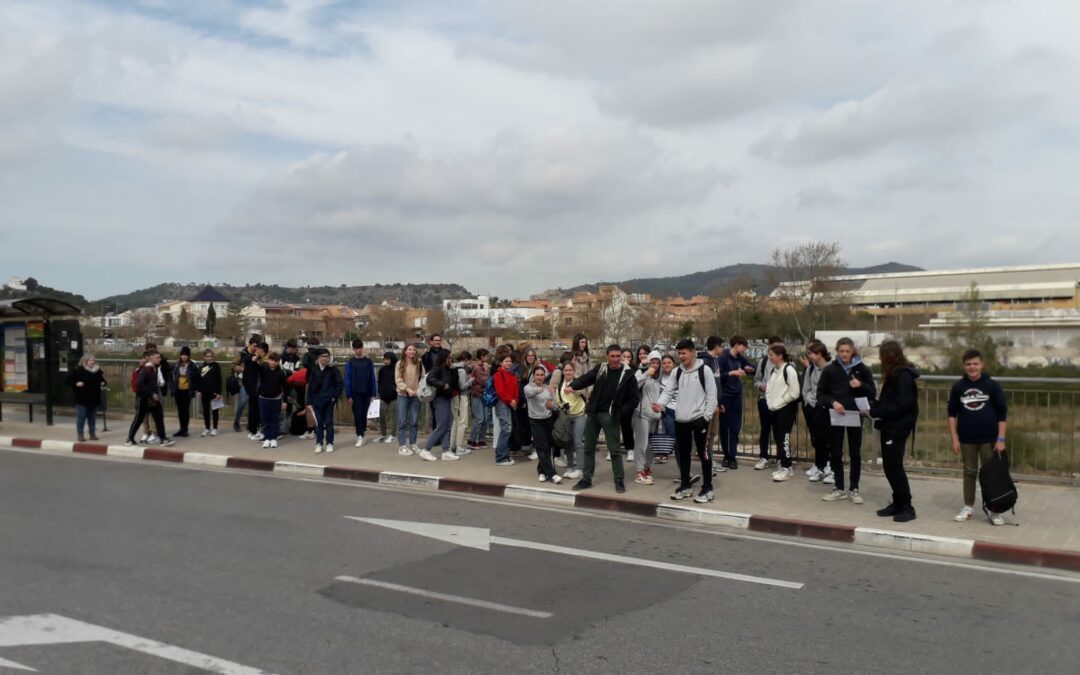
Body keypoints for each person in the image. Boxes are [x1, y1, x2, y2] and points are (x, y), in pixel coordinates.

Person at [565, 344, 641, 494]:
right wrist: (573, 385)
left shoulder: (628, 374)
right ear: (607, 356)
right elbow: (587, 379)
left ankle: (619, 481)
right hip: (594, 414)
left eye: (618, 356)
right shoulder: (601, 369)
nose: (615, 359)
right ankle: (586, 479)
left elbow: (634, 399)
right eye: (612, 356)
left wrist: (621, 413)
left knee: (614, 450)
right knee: (588, 448)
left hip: (611, 416)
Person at [948, 349, 1008, 525]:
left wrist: (1001, 439)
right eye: (968, 364)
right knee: (969, 472)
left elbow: (1002, 414)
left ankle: (994, 510)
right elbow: (951, 413)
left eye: (975, 363)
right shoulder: (958, 387)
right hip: (967, 438)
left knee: (991, 474)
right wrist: (954, 437)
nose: (972, 367)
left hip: (989, 438)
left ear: (982, 364)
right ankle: (968, 507)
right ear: (963, 366)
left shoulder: (992, 385)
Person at [653, 339, 718, 503]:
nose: (681, 356)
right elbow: (668, 391)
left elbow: (712, 397)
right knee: (683, 454)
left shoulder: (705, 371)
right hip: (680, 419)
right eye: (679, 353)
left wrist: (706, 417)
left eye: (684, 353)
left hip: (699, 419)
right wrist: (660, 404)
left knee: (703, 455)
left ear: (693, 352)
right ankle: (685, 486)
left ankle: (707, 488)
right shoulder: (677, 372)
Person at [818, 337, 877, 504]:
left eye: (847, 351)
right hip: (836, 415)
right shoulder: (830, 370)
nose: (844, 354)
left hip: (855, 415)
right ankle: (838, 488)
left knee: (855, 453)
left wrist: (861, 385)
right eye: (841, 351)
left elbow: (872, 392)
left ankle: (854, 489)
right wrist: (833, 402)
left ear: (853, 352)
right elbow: (821, 394)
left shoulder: (862, 369)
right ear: (837, 352)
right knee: (836, 452)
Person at [868, 340, 920, 522]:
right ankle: (898, 502)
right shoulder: (893, 375)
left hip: (898, 427)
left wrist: (878, 411)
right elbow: (889, 400)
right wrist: (874, 406)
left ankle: (907, 505)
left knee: (894, 466)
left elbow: (902, 405)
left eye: (883, 356)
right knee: (889, 466)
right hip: (889, 425)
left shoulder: (903, 376)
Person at [716, 335, 754, 471]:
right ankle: (726, 455)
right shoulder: (723, 357)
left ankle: (732, 456)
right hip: (725, 396)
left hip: (737, 396)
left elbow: (750, 367)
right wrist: (732, 373)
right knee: (724, 428)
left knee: (735, 428)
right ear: (737, 345)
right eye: (743, 346)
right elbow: (717, 376)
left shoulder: (740, 358)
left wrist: (749, 369)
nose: (744, 349)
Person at [764, 344, 801, 482]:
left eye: (772, 355)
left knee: (784, 439)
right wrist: (770, 403)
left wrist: (781, 401)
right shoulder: (774, 371)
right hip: (774, 409)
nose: (770, 357)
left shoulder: (789, 370)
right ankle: (784, 465)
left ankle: (786, 467)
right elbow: (769, 389)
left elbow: (795, 392)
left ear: (780, 356)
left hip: (785, 410)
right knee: (778, 438)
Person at [125, 351, 174, 447]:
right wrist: (151, 394)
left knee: (159, 418)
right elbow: (139, 383)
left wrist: (158, 386)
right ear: (151, 359)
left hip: (153, 400)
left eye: (159, 357)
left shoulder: (155, 369)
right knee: (138, 419)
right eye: (157, 357)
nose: (159, 359)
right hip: (143, 399)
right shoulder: (146, 370)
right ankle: (130, 439)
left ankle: (163, 438)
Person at [801, 341, 834, 483]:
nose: (810, 356)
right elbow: (806, 388)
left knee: (831, 441)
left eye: (812, 353)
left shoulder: (831, 369)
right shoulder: (810, 369)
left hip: (827, 408)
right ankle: (820, 468)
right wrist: (808, 401)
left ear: (820, 354)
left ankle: (832, 469)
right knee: (818, 440)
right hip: (813, 407)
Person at [420, 350, 460, 462]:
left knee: (447, 425)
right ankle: (426, 450)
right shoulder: (437, 368)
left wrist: (453, 370)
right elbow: (430, 379)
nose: (450, 360)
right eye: (449, 357)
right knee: (442, 425)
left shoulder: (448, 369)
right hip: (441, 398)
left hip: (447, 398)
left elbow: (455, 382)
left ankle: (446, 451)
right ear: (444, 358)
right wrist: (442, 385)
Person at [524, 365, 561, 483]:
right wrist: (542, 388)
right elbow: (530, 393)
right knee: (542, 446)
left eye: (542, 375)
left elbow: (554, 404)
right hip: (535, 420)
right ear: (533, 376)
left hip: (548, 419)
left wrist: (553, 406)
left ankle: (541, 471)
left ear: (545, 376)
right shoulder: (528, 387)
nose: (540, 377)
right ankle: (552, 474)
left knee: (547, 447)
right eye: (537, 375)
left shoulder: (548, 388)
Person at [752, 336, 785, 470]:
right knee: (765, 430)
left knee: (780, 431)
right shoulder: (764, 361)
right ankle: (763, 457)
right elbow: (756, 380)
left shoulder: (789, 363)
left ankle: (781, 458)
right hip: (765, 400)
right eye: (775, 347)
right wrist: (762, 386)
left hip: (781, 402)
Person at [633, 350, 664, 485]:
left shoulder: (661, 377)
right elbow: (633, 385)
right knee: (641, 443)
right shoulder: (641, 373)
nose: (655, 365)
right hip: (642, 413)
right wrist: (646, 374)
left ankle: (647, 468)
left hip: (655, 415)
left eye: (658, 362)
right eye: (653, 362)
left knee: (651, 445)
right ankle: (639, 472)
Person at [553, 361, 586, 479]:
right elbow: (557, 399)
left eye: (570, 370)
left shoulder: (578, 382)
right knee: (568, 443)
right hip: (566, 417)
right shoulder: (560, 384)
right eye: (566, 370)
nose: (568, 372)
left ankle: (580, 469)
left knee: (578, 442)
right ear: (563, 372)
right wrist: (562, 406)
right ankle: (570, 467)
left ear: (574, 371)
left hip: (579, 415)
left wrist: (574, 390)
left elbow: (583, 393)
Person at [306, 348, 342, 454]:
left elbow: (339, 385)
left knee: (329, 422)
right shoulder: (314, 369)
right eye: (322, 356)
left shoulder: (334, 369)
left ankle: (330, 443)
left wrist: (334, 397)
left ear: (329, 357)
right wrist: (309, 402)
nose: (324, 358)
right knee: (319, 423)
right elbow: (310, 386)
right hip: (317, 401)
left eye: (327, 356)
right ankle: (319, 443)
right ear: (319, 358)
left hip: (329, 401)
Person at [344, 338, 377, 448]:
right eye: (356, 348)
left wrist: (373, 393)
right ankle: (360, 435)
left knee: (364, 414)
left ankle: (362, 432)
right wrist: (348, 395)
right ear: (353, 349)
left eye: (360, 348)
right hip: (355, 393)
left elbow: (373, 377)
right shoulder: (350, 363)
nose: (358, 350)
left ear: (363, 348)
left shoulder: (368, 362)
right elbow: (347, 379)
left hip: (367, 392)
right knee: (357, 414)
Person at [698, 336, 725, 464]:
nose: (723, 349)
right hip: (708, 405)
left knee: (713, 433)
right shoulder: (704, 361)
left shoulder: (715, 360)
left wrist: (719, 402)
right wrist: (712, 403)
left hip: (716, 403)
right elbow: (705, 386)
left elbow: (717, 384)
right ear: (716, 346)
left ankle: (710, 459)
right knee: (706, 434)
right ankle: (706, 461)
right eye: (721, 346)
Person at [66, 354, 106, 442]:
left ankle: (92, 434)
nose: (93, 362)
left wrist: (103, 383)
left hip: (94, 398)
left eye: (93, 360)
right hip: (82, 398)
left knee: (92, 417)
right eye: (90, 360)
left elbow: (103, 380)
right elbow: (67, 380)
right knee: (82, 416)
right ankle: (80, 434)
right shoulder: (78, 370)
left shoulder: (97, 370)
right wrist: (76, 384)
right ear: (85, 361)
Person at [395, 344, 424, 456]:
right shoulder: (399, 364)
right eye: (409, 349)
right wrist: (407, 389)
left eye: (413, 350)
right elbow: (398, 380)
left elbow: (423, 378)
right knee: (402, 421)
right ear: (405, 351)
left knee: (414, 421)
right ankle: (402, 445)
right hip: (403, 395)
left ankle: (413, 443)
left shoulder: (419, 363)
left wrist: (419, 390)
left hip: (416, 396)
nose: (412, 352)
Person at [492, 353, 519, 466]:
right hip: (502, 404)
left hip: (510, 403)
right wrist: (510, 401)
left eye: (509, 361)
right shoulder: (499, 374)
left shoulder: (511, 374)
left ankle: (503, 454)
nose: (508, 363)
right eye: (506, 361)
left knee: (507, 428)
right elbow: (500, 391)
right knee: (506, 428)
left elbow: (516, 390)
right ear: (501, 363)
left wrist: (515, 401)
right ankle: (501, 457)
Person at [258, 352, 289, 449]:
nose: (273, 362)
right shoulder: (263, 369)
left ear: (278, 362)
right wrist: (256, 357)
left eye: (276, 361)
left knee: (275, 419)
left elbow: (285, 387)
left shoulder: (280, 373)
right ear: (268, 360)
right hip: (263, 398)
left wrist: (284, 401)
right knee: (265, 418)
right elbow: (253, 366)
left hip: (276, 399)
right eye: (271, 360)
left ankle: (274, 438)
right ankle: (267, 438)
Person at [421, 334, 450, 432]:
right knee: (434, 411)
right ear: (431, 342)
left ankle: (444, 434)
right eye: (435, 340)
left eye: (439, 340)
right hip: (432, 384)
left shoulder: (445, 353)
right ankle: (436, 434)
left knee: (445, 411)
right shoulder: (426, 355)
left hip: (444, 383)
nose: (438, 342)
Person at [170, 346, 198, 437]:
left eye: (186, 355)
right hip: (178, 390)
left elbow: (196, 377)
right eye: (182, 355)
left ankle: (185, 429)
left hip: (187, 390)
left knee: (185, 410)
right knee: (180, 410)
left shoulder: (192, 365)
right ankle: (181, 429)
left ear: (189, 356)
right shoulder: (176, 364)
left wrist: (195, 388)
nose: (184, 357)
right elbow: (172, 375)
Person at [449, 351, 472, 456]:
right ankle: (459, 447)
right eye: (469, 360)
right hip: (462, 397)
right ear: (466, 359)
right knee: (462, 423)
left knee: (455, 422)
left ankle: (452, 446)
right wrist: (471, 380)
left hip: (454, 397)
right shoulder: (462, 371)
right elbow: (463, 386)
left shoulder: (453, 367)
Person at [467, 349, 491, 449]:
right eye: (486, 356)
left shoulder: (484, 367)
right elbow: (484, 381)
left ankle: (481, 440)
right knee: (479, 418)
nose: (488, 358)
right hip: (477, 395)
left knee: (485, 418)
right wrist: (486, 371)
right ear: (481, 357)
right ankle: (472, 440)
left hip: (484, 395)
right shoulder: (477, 368)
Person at [197, 349, 223, 437]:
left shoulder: (216, 366)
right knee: (205, 411)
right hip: (204, 392)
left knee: (215, 411)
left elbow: (219, 380)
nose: (209, 358)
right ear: (204, 357)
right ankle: (207, 428)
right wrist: (199, 391)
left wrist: (219, 392)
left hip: (214, 392)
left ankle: (215, 428)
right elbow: (199, 380)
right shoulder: (201, 366)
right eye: (207, 356)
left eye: (210, 356)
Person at [377, 351, 398, 443]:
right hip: (383, 397)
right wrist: (380, 391)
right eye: (384, 359)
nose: (385, 361)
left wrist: (394, 389)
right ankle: (383, 434)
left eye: (387, 359)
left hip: (394, 397)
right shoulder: (382, 370)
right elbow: (380, 382)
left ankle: (393, 435)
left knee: (394, 416)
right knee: (381, 416)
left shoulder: (397, 369)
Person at [228, 361, 246, 433]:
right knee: (242, 401)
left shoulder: (259, 356)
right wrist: (241, 369)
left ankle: (253, 423)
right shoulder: (242, 354)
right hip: (243, 383)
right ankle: (236, 422)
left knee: (254, 404)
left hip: (254, 383)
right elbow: (232, 365)